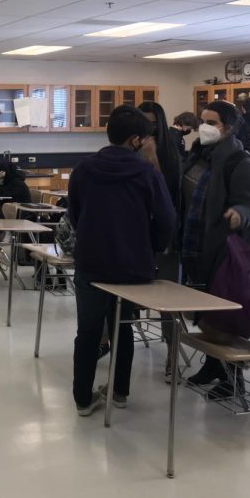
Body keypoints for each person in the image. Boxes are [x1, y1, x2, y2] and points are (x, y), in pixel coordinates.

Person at [68, 106, 175, 416]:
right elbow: (167, 219)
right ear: (136, 140)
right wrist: (150, 245)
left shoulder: (84, 169)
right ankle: (119, 393)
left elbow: (74, 213)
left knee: (87, 332)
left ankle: (83, 400)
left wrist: (89, 235)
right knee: (123, 327)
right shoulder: (147, 173)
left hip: (91, 262)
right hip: (132, 265)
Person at [182, 100, 250, 394]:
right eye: (202, 120)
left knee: (225, 318)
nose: (204, 127)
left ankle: (233, 380)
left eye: (211, 122)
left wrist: (238, 213)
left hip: (224, 252)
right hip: (196, 247)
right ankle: (212, 365)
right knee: (205, 315)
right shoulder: (200, 157)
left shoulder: (240, 162)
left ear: (227, 127)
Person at [138, 100, 183, 381]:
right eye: (144, 122)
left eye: (153, 122)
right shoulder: (129, 150)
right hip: (136, 234)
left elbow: (169, 195)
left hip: (164, 233)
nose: (149, 127)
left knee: (168, 298)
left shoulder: (170, 152)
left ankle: (172, 353)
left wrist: (152, 159)